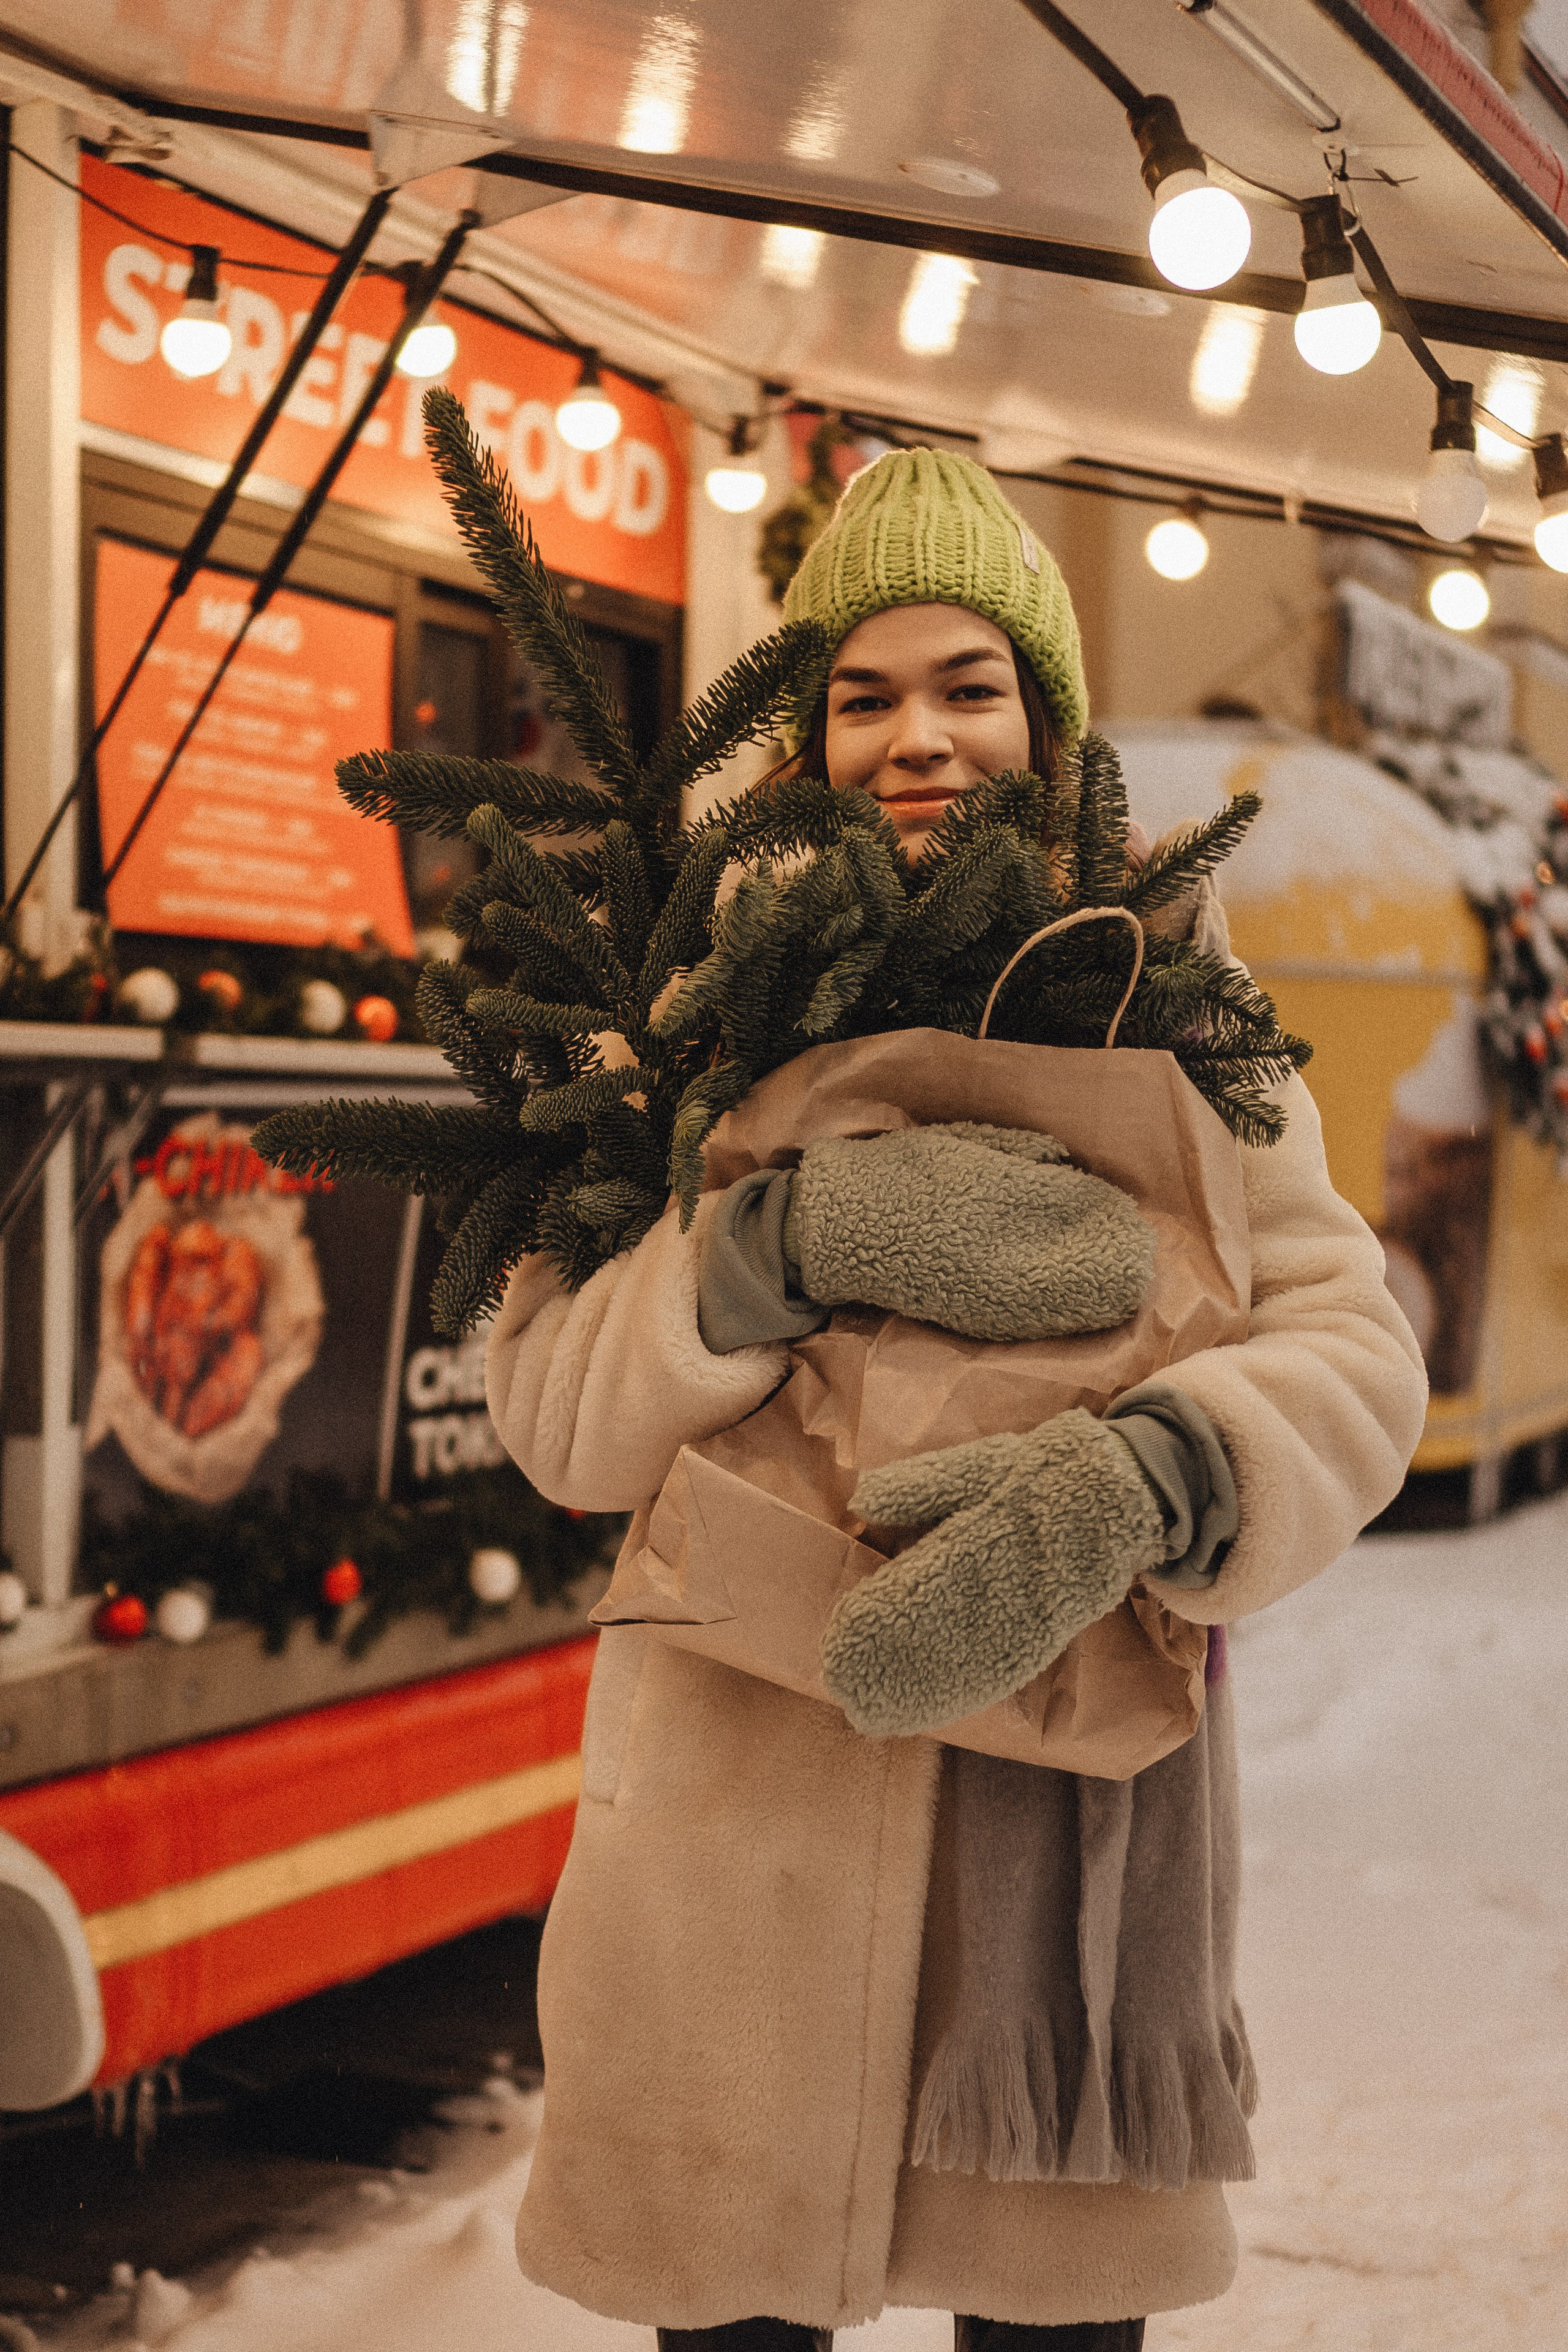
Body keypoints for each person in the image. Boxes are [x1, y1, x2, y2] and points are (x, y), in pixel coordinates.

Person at [486, 450, 1427, 2352]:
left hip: (1059, 1859)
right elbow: (555, 1413)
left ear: (1049, 715)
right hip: (732, 1839)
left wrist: (1158, 1477)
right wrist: (773, 1246)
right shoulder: (678, 1008)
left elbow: (1354, 1347)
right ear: (802, 730)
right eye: (864, 693)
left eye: (971, 684)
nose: (920, 737)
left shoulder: (1179, 992)